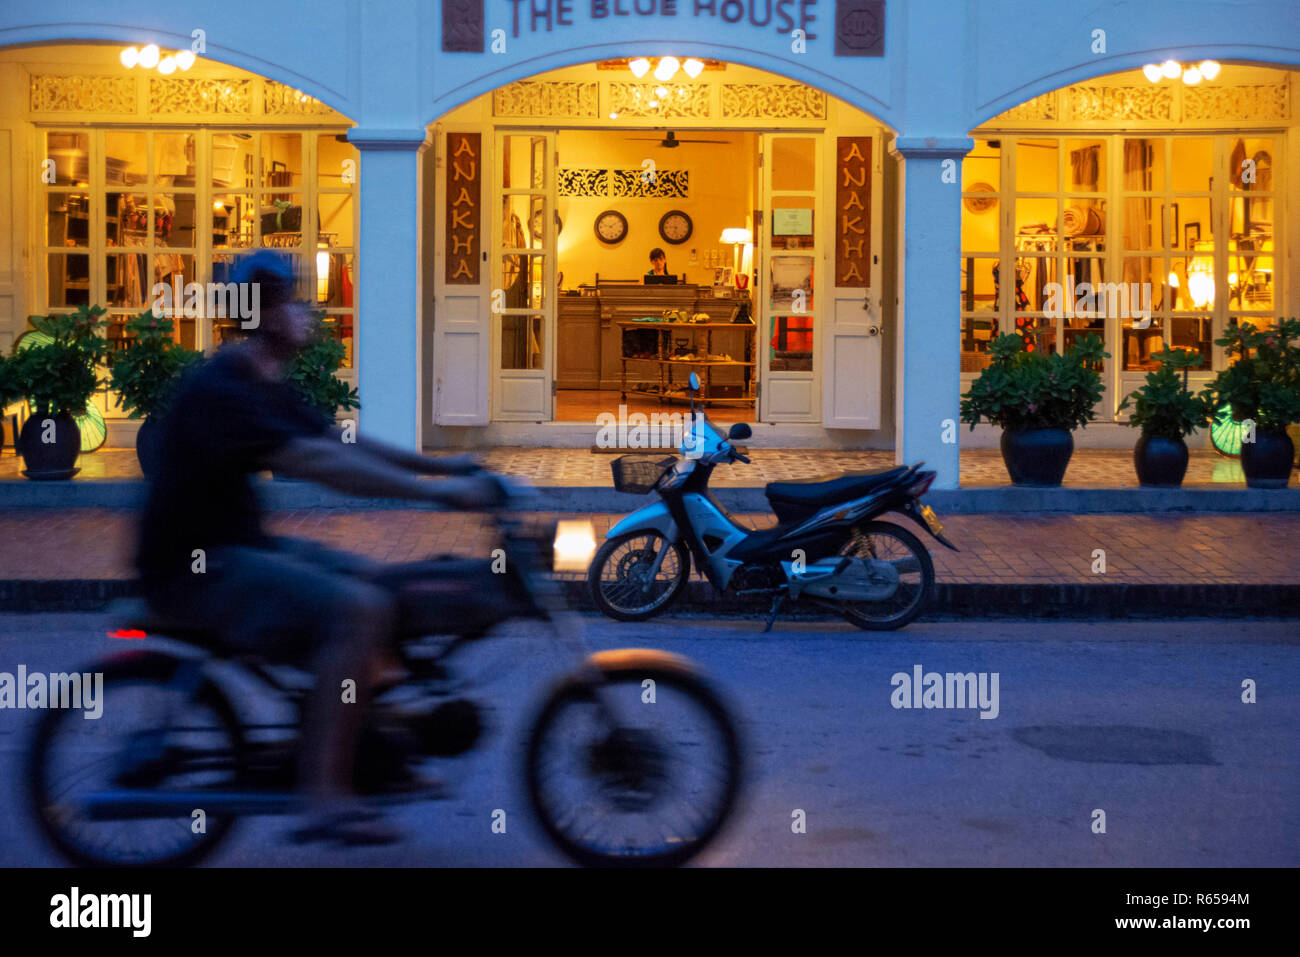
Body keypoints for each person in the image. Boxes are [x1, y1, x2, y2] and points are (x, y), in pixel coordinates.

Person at [135, 250, 503, 845]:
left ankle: (371, 752)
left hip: (238, 548)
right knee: (356, 610)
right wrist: (442, 497)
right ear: (267, 311)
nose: (309, 313)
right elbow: (320, 463)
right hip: (194, 570)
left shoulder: (261, 380)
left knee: (383, 588)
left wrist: (448, 467)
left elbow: (341, 441)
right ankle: (324, 797)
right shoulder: (225, 388)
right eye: (295, 301)